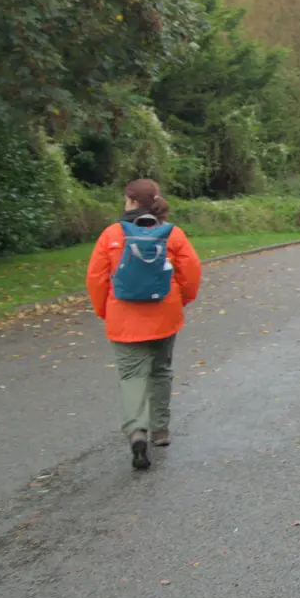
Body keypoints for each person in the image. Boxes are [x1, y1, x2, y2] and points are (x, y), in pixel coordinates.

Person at [85, 179, 202, 470]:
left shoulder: (111, 234)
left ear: (133, 202)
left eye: (126, 200)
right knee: (161, 370)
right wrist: (180, 300)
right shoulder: (172, 234)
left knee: (131, 375)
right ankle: (160, 431)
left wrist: (104, 311)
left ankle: (137, 432)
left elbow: (96, 279)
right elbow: (191, 273)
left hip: (124, 317)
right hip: (165, 313)